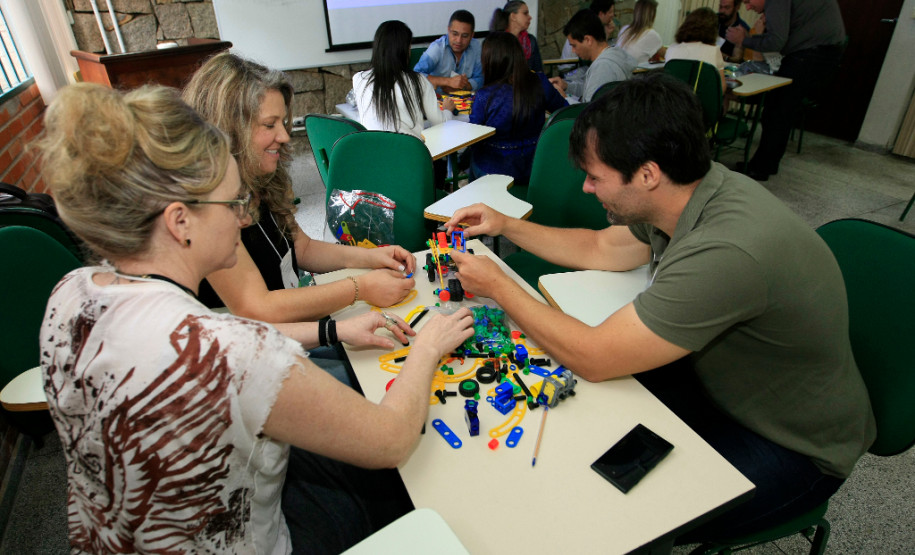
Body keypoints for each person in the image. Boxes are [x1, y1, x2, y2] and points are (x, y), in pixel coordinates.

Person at [36, 82, 475, 553]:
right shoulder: (231, 353)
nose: (245, 220)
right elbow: (389, 440)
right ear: (179, 222)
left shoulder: (70, 292)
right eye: (232, 204)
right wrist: (427, 346)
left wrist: (337, 327)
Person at [445, 73, 875, 542]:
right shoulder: (690, 189)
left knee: (620, 520)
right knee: (579, 424)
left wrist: (500, 286)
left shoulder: (725, 250)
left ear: (648, 174)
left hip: (791, 445)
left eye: (595, 177)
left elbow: (595, 356)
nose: (587, 189)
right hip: (721, 386)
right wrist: (506, 225)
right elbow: (599, 248)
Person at [183, 53, 417, 325]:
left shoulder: (262, 176)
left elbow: (302, 248)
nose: (283, 137)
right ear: (229, 128)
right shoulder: (206, 207)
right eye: (270, 125)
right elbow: (257, 308)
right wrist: (360, 287)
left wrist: (370, 257)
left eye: (283, 123)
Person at [725, 0, 846, 181]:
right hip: (822, 54)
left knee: (777, 111)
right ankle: (765, 164)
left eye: (748, 1)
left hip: (812, 56)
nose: (748, 7)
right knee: (778, 109)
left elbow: (776, 41)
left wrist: (744, 40)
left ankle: (761, 168)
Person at [467, 32, 567, 185]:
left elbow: (473, 138)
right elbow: (563, 112)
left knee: (472, 158)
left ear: (489, 61)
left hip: (494, 170)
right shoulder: (539, 82)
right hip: (534, 166)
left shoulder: (484, 96)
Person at [353, 20, 455, 138]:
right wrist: (448, 110)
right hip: (410, 154)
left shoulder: (358, 79)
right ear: (404, 50)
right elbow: (441, 123)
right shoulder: (419, 81)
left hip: (373, 154)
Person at [549, 9, 635, 103]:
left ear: (588, 40)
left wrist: (564, 99)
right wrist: (566, 86)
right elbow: (592, 90)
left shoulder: (603, 67)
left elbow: (590, 112)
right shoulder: (611, 56)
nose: (573, 50)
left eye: (574, 45)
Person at [413, 9, 483, 93]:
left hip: (465, 101)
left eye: (464, 36)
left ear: (472, 35)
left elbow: (480, 78)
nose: (459, 40)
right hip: (438, 101)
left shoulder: (476, 46)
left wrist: (464, 86)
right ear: (448, 30)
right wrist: (448, 82)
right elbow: (416, 75)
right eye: (455, 34)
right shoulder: (437, 48)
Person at [665, 7, 726, 91]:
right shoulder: (714, 51)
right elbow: (721, 88)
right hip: (702, 103)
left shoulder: (671, 49)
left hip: (675, 102)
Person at [559, 0, 618, 71]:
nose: (613, 15)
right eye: (610, 12)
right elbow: (595, 54)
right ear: (601, 14)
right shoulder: (587, 29)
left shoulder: (598, 28)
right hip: (571, 69)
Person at [490, 1, 543, 73]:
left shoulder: (531, 40)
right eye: (525, 13)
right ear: (513, 16)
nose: (530, 17)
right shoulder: (498, 42)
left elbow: (539, 71)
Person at [615, 0, 663, 64]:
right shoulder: (651, 34)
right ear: (652, 16)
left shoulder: (624, 29)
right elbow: (667, 55)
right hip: (636, 72)